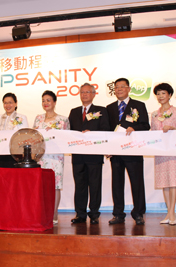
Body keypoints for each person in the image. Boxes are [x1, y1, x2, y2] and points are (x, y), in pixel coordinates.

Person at [106, 78, 150, 225]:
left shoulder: (138, 105)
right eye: (116, 87)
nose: (119, 89)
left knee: (137, 183)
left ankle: (138, 213)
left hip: (133, 150)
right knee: (117, 184)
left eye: (122, 87)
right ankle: (118, 214)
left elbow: (146, 125)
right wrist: (106, 148)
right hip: (116, 152)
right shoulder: (110, 107)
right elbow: (107, 131)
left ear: (129, 89)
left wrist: (134, 128)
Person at [68, 83, 110, 225]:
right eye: (82, 92)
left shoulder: (101, 110)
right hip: (78, 155)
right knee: (79, 185)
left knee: (95, 185)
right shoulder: (73, 112)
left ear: (93, 94)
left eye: (88, 92)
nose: (85, 94)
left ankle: (94, 214)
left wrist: (92, 134)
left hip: (94, 155)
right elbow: (69, 132)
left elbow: (106, 130)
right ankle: (80, 214)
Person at [33, 90, 70, 225]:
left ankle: (54, 214)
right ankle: (41, 213)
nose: (45, 103)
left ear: (54, 102)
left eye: (48, 100)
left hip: (56, 157)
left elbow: (66, 139)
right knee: (41, 186)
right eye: (43, 100)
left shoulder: (63, 119)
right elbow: (33, 137)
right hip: (40, 157)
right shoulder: (38, 118)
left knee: (55, 186)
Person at [151, 83, 176, 225]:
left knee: (173, 182)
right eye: (158, 94)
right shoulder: (154, 114)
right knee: (164, 183)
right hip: (160, 152)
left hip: (173, 151)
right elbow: (152, 132)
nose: (160, 96)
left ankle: (172, 213)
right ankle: (168, 214)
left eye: (163, 93)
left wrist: (171, 127)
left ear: (169, 95)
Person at [0, 93, 29, 171]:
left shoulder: (22, 117)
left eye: (10, 102)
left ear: (16, 104)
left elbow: (24, 136)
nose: (7, 105)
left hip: (16, 154)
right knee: (1, 178)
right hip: (0, 153)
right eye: (5, 103)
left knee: (14, 179)